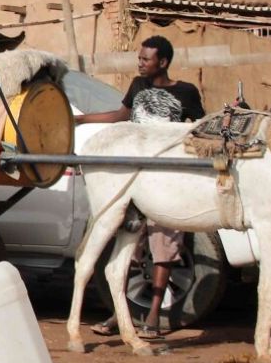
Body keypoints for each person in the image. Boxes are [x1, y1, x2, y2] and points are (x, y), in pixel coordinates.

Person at [75, 35, 205, 336]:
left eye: (146, 59)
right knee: (128, 252)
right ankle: (120, 316)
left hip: (166, 180)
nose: (140, 63)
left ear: (163, 62)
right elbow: (121, 116)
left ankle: (153, 316)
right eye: (140, 58)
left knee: (163, 248)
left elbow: (198, 127)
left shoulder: (186, 92)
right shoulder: (138, 85)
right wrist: (82, 119)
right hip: (134, 181)